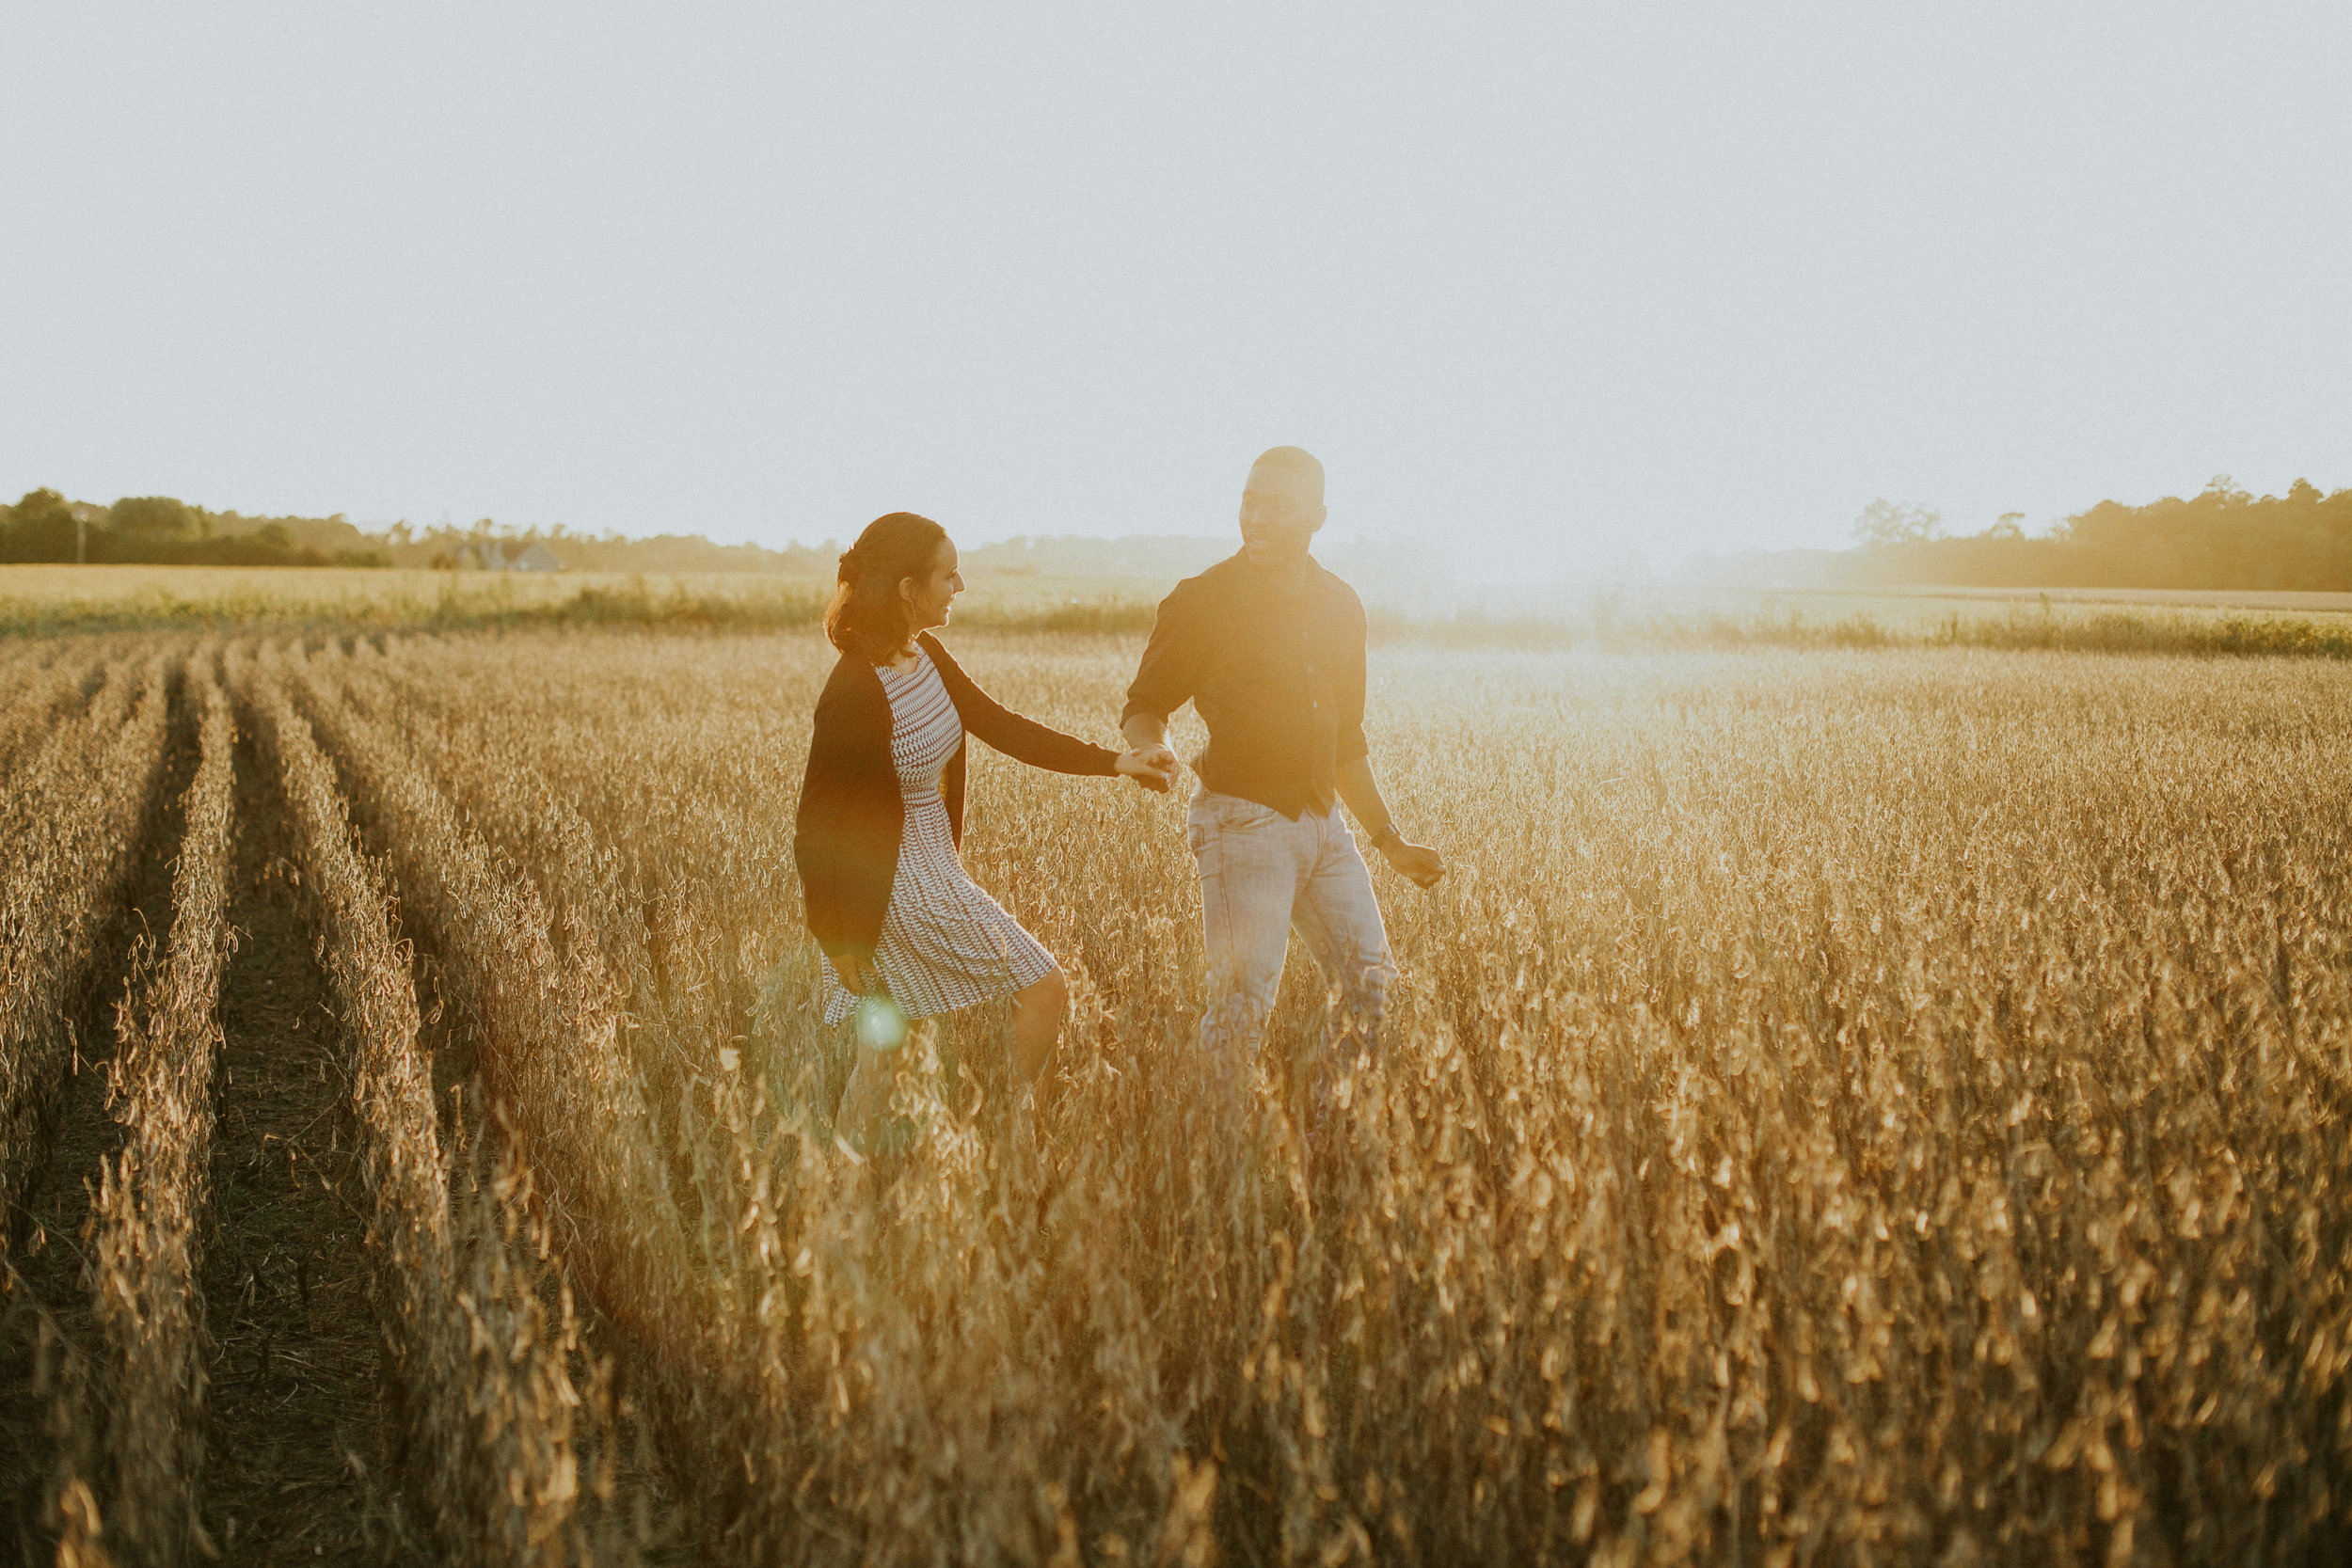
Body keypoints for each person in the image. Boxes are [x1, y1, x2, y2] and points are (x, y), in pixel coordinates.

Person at [795, 512, 1172, 1155]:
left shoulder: (926, 655)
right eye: (948, 574)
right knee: (1046, 987)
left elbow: (1002, 725)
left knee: (884, 1053)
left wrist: (1114, 760)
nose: (959, 585)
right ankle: (1006, 1143)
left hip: (931, 866)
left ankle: (838, 1198)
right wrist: (836, 937)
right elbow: (815, 825)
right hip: (896, 885)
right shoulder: (855, 691)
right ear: (909, 588)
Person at [1121, 447, 1445, 1111]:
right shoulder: (1203, 600)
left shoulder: (1340, 604)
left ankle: (1329, 1135)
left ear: (1318, 516)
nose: (1257, 517)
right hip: (1242, 824)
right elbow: (1144, 705)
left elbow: (1345, 740)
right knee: (1241, 1012)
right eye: (1250, 500)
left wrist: (1390, 840)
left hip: (1324, 827)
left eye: (1279, 505)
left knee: (1372, 987)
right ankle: (1219, 1169)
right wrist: (1155, 748)